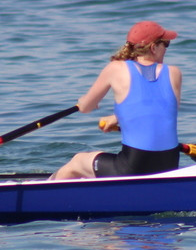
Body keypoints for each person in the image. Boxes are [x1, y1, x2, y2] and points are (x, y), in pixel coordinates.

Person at [52, 21, 182, 180]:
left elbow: (86, 107)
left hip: (133, 168)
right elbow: (161, 110)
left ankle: (41, 197)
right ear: (153, 48)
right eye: (166, 44)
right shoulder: (174, 73)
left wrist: (83, 101)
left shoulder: (115, 68)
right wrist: (117, 118)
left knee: (77, 161)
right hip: (169, 165)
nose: (166, 49)